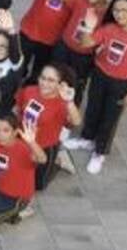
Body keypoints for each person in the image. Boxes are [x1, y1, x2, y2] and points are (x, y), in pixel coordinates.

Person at [63, 0, 127, 175]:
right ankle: (87, 138)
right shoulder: (109, 29)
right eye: (116, 10)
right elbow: (86, 43)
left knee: (110, 118)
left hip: (121, 83)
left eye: (124, 11)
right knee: (93, 109)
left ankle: (100, 151)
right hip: (100, 75)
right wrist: (87, 28)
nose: (119, 15)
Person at [15, 63, 82, 192]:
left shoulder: (62, 103)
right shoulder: (30, 90)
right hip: (24, 141)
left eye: (51, 80)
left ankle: (57, 162)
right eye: (42, 78)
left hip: (45, 146)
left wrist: (69, 101)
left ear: (61, 84)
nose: (44, 83)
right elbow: (18, 109)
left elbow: (76, 121)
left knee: (39, 184)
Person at [53, 0, 112, 106]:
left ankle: (70, 114)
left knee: (77, 85)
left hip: (84, 56)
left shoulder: (108, 12)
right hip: (64, 46)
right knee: (56, 76)